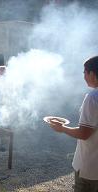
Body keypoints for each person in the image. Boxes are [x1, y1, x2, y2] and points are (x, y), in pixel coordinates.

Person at [49, 56, 98, 192]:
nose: (84, 76)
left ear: (92, 74)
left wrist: (62, 128)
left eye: (84, 72)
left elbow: (84, 133)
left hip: (90, 167)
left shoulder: (92, 98)